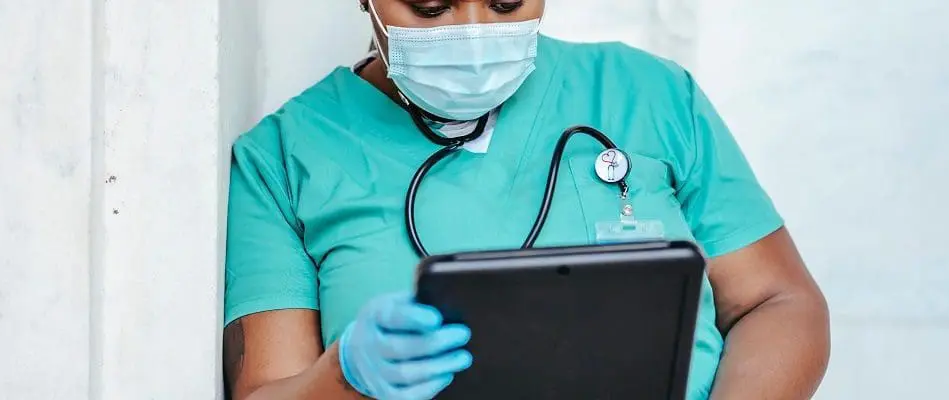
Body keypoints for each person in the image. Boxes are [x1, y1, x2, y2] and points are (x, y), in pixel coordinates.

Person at [222, 1, 830, 399]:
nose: (475, 32)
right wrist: (347, 375)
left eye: (507, 2)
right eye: (431, 7)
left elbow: (778, 301)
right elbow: (268, 391)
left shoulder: (650, 94)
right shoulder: (286, 156)